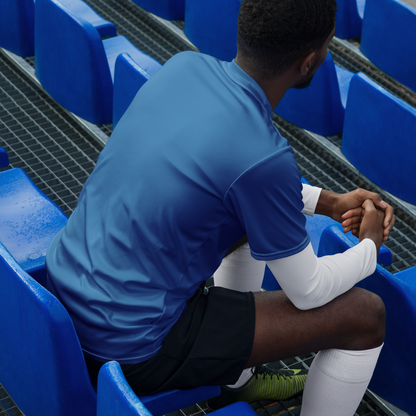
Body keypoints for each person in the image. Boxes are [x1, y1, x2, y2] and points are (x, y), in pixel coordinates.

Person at [45, 0, 395, 414]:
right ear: (309, 62)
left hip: (66, 300)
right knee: (364, 316)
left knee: (247, 223)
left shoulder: (183, 68)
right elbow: (308, 290)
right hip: (132, 345)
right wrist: (369, 248)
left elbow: (233, 181)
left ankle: (238, 383)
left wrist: (327, 202)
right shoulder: (264, 155)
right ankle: (236, 379)